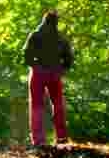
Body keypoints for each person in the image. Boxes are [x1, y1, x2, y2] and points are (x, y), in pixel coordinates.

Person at [22, 10, 73, 144]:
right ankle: (61, 138)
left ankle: (39, 141)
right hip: (55, 74)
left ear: (44, 20)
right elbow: (69, 59)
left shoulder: (35, 35)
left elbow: (26, 55)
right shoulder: (61, 38)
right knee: (58, 105)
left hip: (38, 74)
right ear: (56, 22)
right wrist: (61, 70)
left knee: (37, 105)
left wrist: (35, 66)